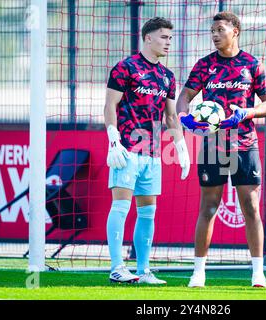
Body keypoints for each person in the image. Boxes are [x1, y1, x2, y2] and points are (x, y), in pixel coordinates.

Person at [177, 12, 266, 287]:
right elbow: (184, 97)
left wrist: (247, 113)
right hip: (212, 147)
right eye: (212, 30)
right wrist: (185, 117)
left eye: (220, 29)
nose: (215, 34)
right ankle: (198, 273)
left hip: (245, 145)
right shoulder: (204, 65)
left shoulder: (252, 64)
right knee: (208, 208)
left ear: (235, 31)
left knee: (251, 207)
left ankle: (258, 273)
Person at [104, 17, 190, 284]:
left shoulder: (167, 76)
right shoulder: (125, 68)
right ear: (148, 38)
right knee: (120, 207)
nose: (168, 42)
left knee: (147, 212)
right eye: (164, 37)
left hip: (152, 153)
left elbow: (171, 117)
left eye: (170, 38)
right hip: (127, 150)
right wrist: (113, 140)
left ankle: (143, 271)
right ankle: (117, 268)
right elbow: (110, 106)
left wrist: (181, 147)